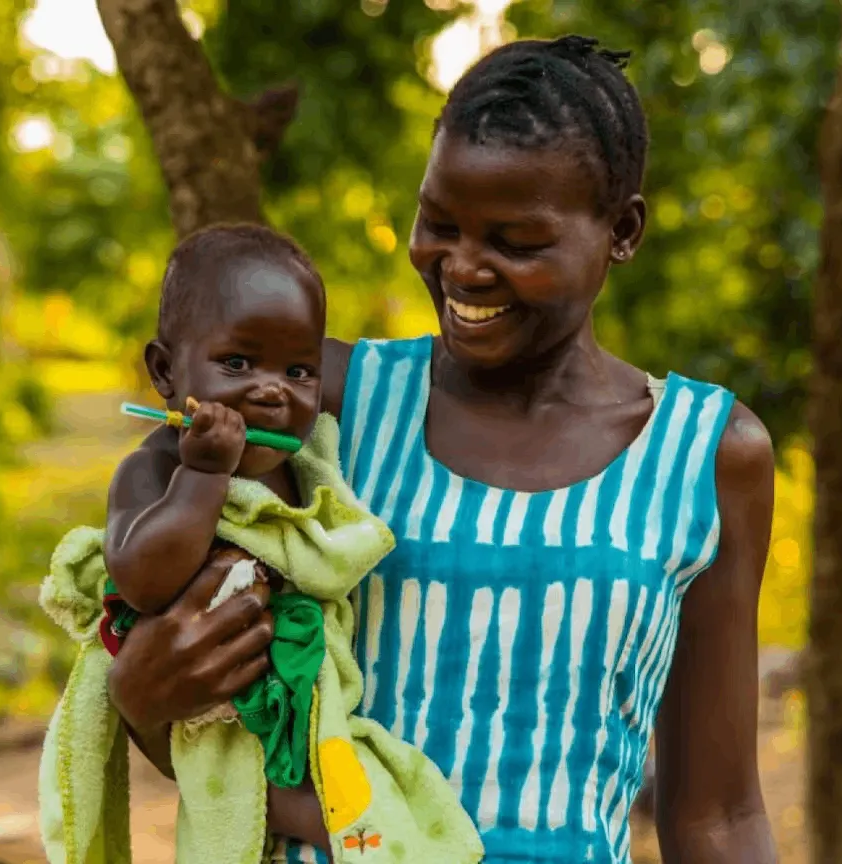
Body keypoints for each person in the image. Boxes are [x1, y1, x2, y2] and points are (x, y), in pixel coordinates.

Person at [103, 35, 777, 864]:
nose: (462, 269)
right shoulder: (324, 402)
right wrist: (136, 694)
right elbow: (202, 700)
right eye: (439, 224)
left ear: (623, 231)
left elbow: (719, 815)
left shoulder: (707, 456)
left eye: (516, 242)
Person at [38, 223, 484, 864]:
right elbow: (142, 580)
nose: (272, 389)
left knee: (351, 773)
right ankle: (340, 829)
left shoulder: (302, 463)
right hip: (210, 699)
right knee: (306, 799)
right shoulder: (156, 466)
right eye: (237, 364)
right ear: (165, 371)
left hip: (293, 683)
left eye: (299, 371)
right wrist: (203, 476)